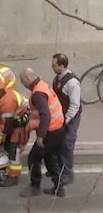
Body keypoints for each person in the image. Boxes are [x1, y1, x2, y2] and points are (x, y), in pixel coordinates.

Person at [19, 67, 66, 197]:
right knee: (50, 158)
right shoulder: (42, 85)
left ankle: (35, 187)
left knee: (33, 158)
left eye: (22, 80)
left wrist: (40, 136)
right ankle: (59, 187)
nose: (21, 83)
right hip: (57, 128)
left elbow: (45, 115)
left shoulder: (38, 94)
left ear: (27, 79)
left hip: (49, 133)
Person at [51, 53, 82, 185]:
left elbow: (75, 105)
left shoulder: (72, 83)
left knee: (66, 145)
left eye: (54, 65)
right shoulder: (57, 78)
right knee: (58, 143)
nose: (52, 67)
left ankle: (67, 174)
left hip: (70, 118)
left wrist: (66, 120)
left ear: (62, 66)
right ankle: (58, 169)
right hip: (61, 117)